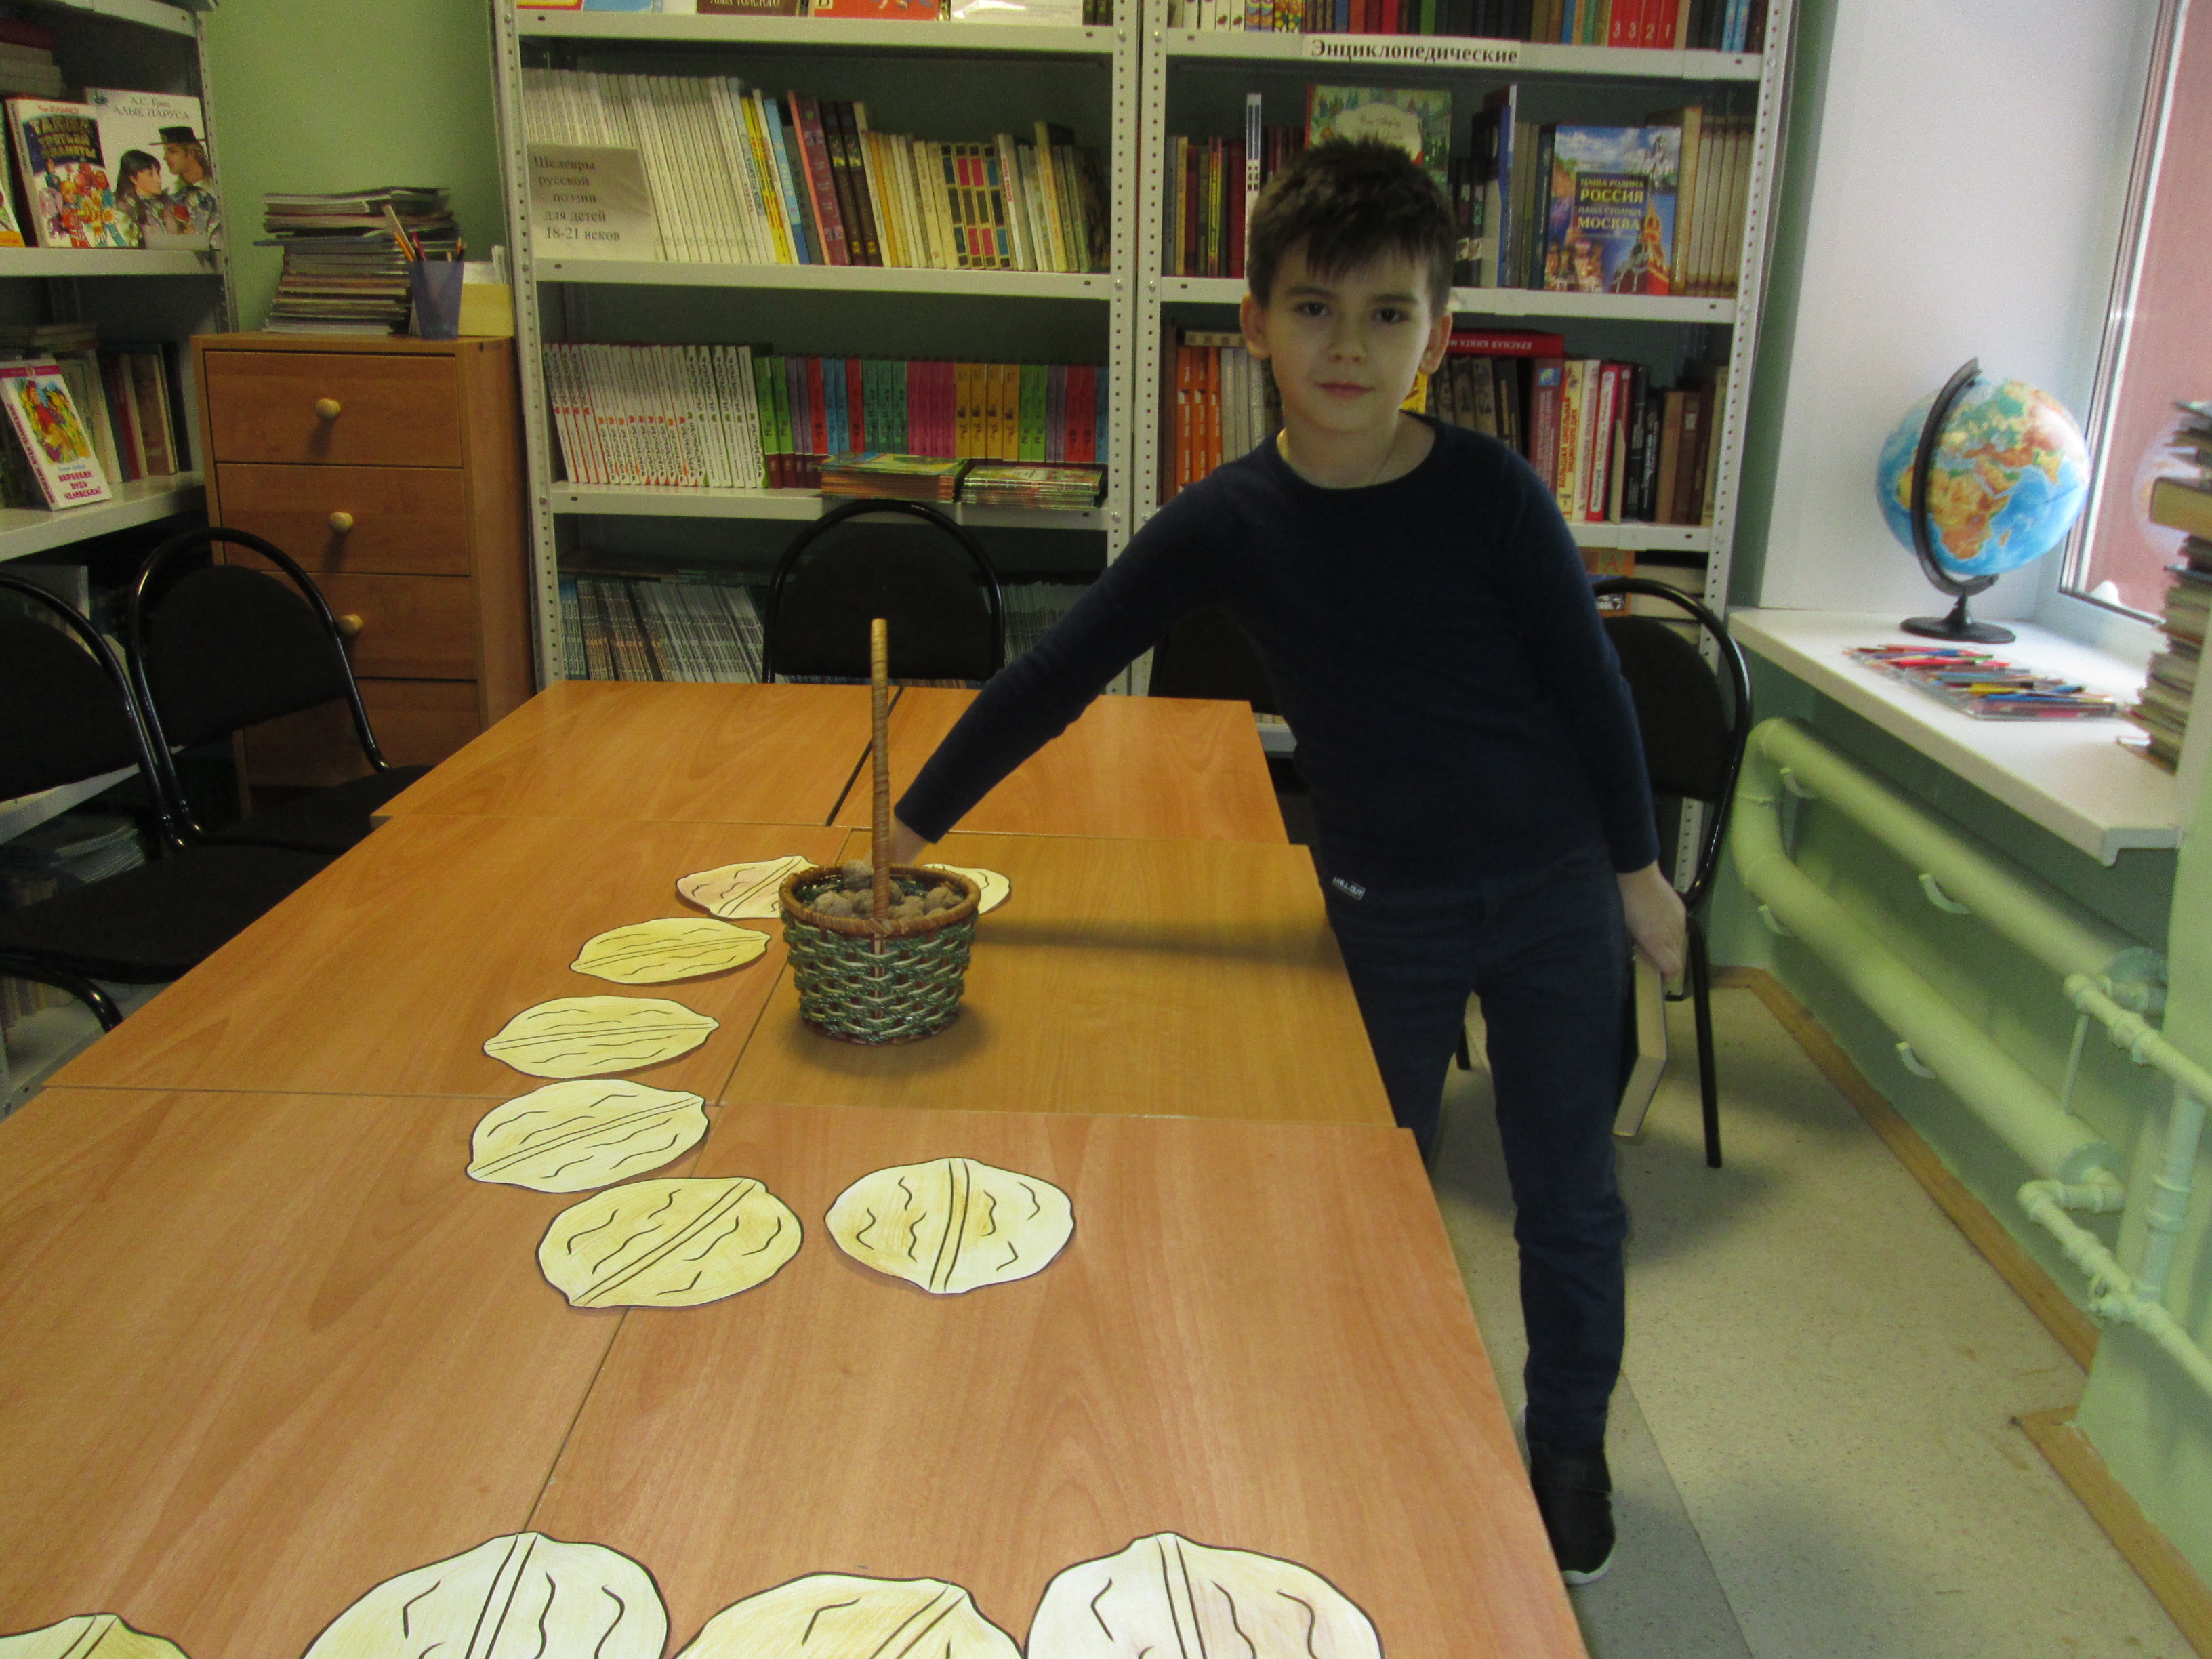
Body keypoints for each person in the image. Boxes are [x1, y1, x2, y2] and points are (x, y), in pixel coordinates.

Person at [885, 137, 1684, 1584]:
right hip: (1386, 912)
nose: (1349, 347)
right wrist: (909, 823)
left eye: (1388, 314)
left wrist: (1636, 875)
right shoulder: (1228, 521)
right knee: (1368, 1190)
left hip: (1554, 891)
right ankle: (1374, 1426)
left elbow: (1593, 689)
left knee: (1568, 1197)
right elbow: (1058, 674)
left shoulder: (1495, 494)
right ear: (1253, 322)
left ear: (1437, 333)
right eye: (1314, 308)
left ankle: (1568, 1447)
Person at [158, 125, 219, 241]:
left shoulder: (218, 187)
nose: (165, 157)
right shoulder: (168, 196)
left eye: (172, 151)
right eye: (165, 151)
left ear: (191, 153)